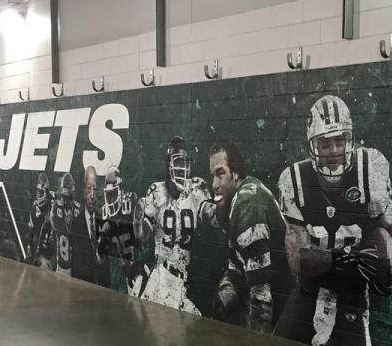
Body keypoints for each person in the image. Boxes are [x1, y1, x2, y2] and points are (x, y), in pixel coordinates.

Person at [274, 94, 392, 346]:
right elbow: (296, 260)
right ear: (313, 146)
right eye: (325, 143)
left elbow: (390, 230)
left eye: (339, 141)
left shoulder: (370, 172)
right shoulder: (295, 180)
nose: (333, 150)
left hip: (351, 295)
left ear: (350, 140)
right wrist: (338, 259)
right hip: (310, 291)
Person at [207, 138, 289, 333]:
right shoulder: (237, 198)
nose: (215, 185)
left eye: (221, 174)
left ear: (236, 173)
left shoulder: (247, 207)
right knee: (222, 301)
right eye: (213, 176)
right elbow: (237, 264)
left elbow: (262, 296)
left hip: (279, 298)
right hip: (260, 286)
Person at [138, 136, 216, 314]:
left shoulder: (196, 187)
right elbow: (144, 235)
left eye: (186, 162)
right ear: (168, 165)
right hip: (160, 276)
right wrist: (137, 224)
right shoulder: (157, 191)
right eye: (179, 161)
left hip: (186, 281)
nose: (183, 168)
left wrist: (219, 208)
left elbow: (210, 213)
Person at [97, 166, 146, 296]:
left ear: (122, 191)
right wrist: (103, 237)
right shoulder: (103, 213)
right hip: (117, 276)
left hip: (137, 272)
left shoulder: (133, 203)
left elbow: (143, 241)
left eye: (114, 195)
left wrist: (136, 223)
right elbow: (100, 260)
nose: (111, 200)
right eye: (109, 195)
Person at [70, 166, 106, 286]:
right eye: (89, 188)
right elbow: (76, 265)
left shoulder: (103, 221)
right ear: (83, 190)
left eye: (95, 190)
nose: (92, 195)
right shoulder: (76, 224)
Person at [29, 172, 55, 269]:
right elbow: (32, 232)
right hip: (39, 250)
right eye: (38, 191)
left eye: (41, 192)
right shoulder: (35, 206)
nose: (39, 194)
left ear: (46, 192)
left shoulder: (53, 205)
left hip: (50, 252)